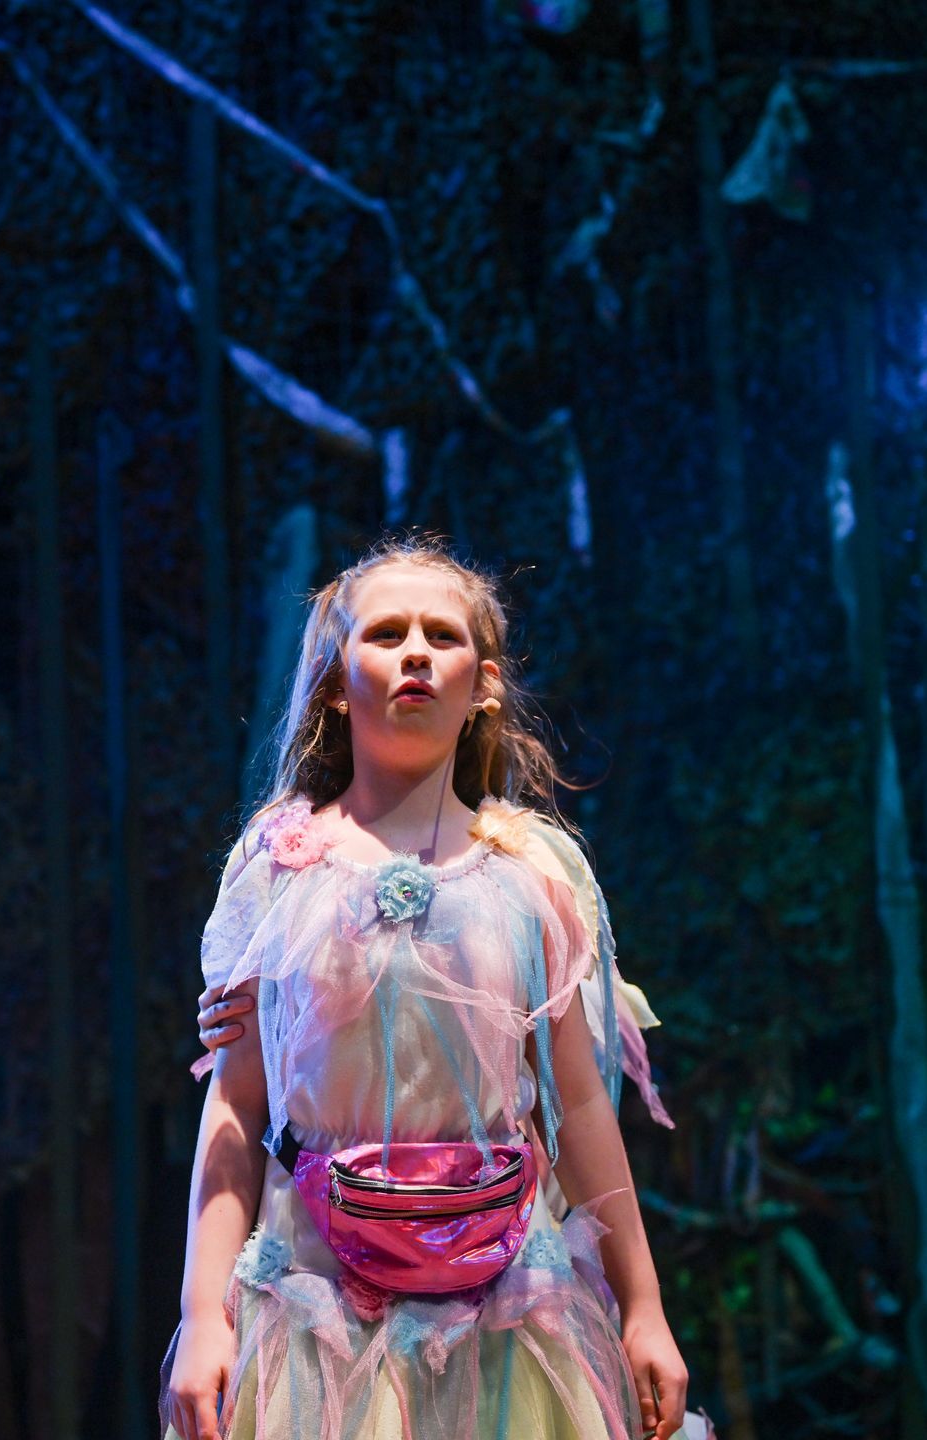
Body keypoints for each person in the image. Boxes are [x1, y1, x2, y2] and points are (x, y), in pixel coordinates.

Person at [161, 536, 689, 1440]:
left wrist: (644, 1307)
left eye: (441, 636)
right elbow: (238, 1105)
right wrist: (203, 1313)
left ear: (484, 683)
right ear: (335, 681)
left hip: (503, 1309)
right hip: (316, 1300)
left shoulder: (531, 872)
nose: (415, 652)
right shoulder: (279, 866)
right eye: (386, 633)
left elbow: (577, 1104)